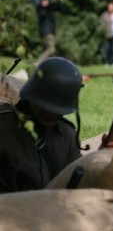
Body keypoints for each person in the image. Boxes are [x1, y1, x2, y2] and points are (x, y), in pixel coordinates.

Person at [0, 57, 83, 193]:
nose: (50, 114)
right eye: (44, 107)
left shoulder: (67, 135)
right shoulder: (4, 126)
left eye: (56, 110)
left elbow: (78, 179)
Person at [31, 0, 62, 66]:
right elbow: (42, 15)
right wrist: (43, 5)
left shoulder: (50, 6)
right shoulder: (40, 6)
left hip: (49, 30)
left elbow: (59, 5)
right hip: (46, 30)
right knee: (51, 49)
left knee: (49, 52)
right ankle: (37, 63)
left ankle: (48, 68)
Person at [100, 1, 113, 66]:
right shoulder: (104, 14)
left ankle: (112, 62)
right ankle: (106, 62)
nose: (110, 8)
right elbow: (101, 24)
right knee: (106, 49)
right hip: (107, 34)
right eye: (109, 7)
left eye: (112, 7)